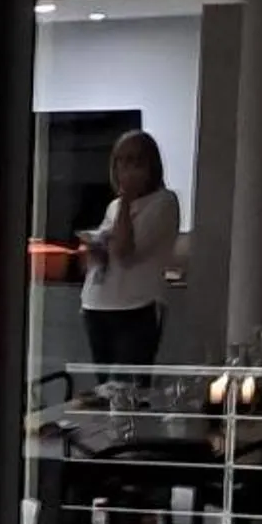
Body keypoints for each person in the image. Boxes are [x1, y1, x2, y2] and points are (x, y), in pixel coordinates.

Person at [80, 131, 180, 373]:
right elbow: (101, 254)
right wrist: (94, 250)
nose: (127, 168)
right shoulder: (113, 207)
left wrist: (126, 197)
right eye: (121, 160)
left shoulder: (164, 202)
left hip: (137, 306)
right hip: (98, 304)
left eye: (136, 160)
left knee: (129, 387)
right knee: (104, 390)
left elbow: (124, 251)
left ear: (151, 165)